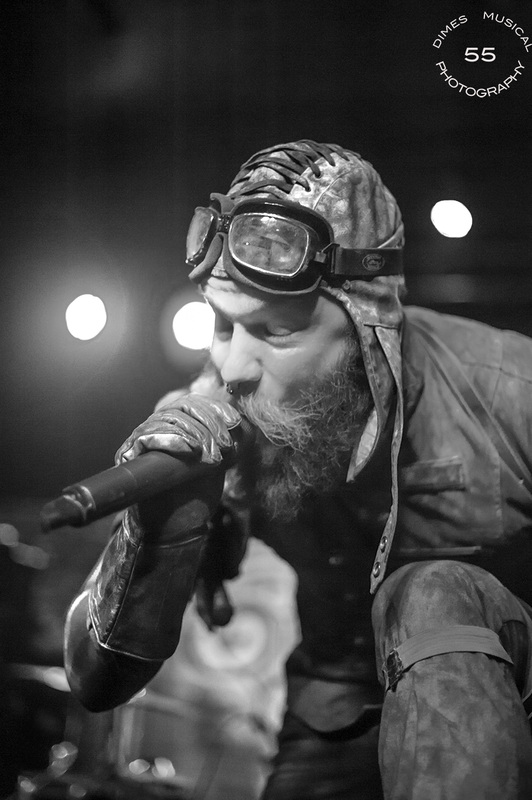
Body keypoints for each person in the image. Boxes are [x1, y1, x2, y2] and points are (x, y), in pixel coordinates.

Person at [64, 139, 532, 799]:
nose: (233, 367)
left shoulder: (509, 388)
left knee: (431, 591)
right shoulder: (206, 418)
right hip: (335, 704)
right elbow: (94, 681)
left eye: (275, 332)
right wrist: (160, 527)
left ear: (371, 328)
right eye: (222, 326)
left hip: (514, 696)